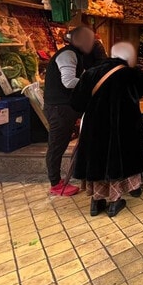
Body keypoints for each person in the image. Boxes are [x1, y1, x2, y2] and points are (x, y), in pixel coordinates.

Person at [71, 42, 143, 218]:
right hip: (123, 128)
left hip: (94, 128)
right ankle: (115, 201)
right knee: (118, 161)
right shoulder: (131, 74)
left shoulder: (90, 73)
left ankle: (96, 202)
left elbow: (76, 103)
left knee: (97, 160)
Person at [44, 26, 96, 196]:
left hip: (65, 107)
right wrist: (91, 84)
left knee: (61, 143)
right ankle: (55, 184)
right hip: (59, 108)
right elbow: (68, 81)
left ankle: (63, 179)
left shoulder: (76, 54)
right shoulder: (68, 54)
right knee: (56, 145)